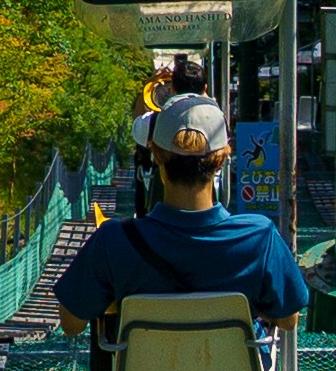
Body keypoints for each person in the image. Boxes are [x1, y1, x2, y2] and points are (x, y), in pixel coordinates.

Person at [53, 91, 311, 348]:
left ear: (155, 154)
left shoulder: (113, 240)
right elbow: (288, 321)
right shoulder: (259, 237)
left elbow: (71, 324)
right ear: (221, 158)